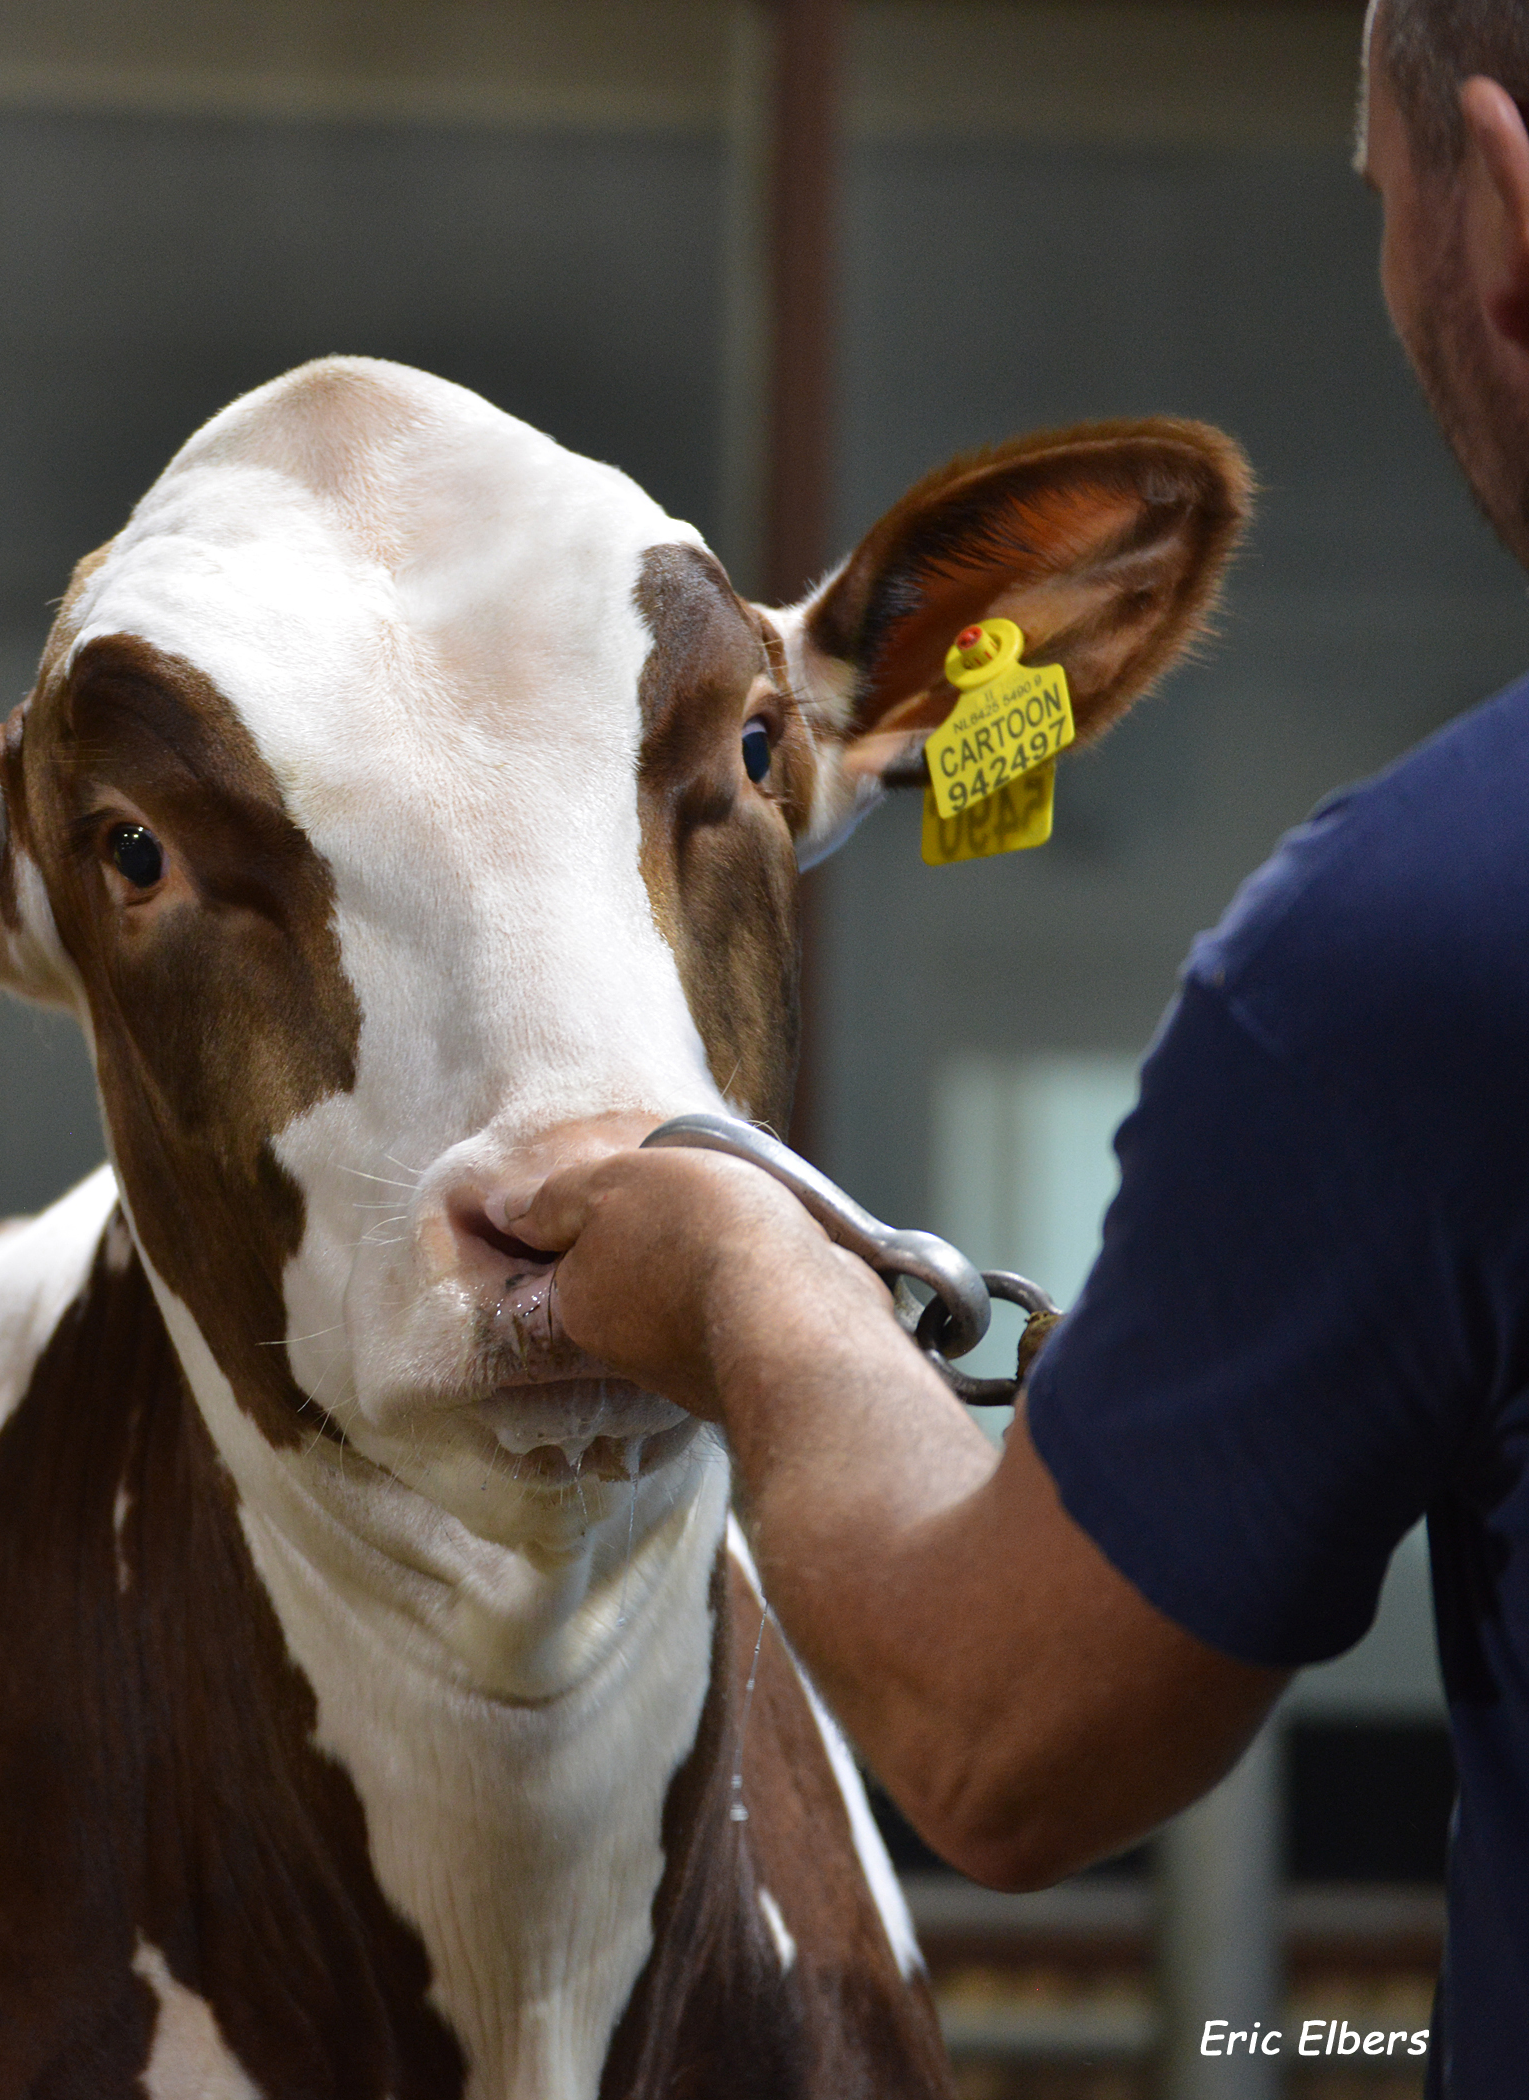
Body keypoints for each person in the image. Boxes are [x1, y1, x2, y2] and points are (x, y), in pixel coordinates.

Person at [508, 4, 1529, 2091]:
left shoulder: (1422, 947)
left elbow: (1005, 1739)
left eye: (1381, 200)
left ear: (1499, 209)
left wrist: (734, 1267)